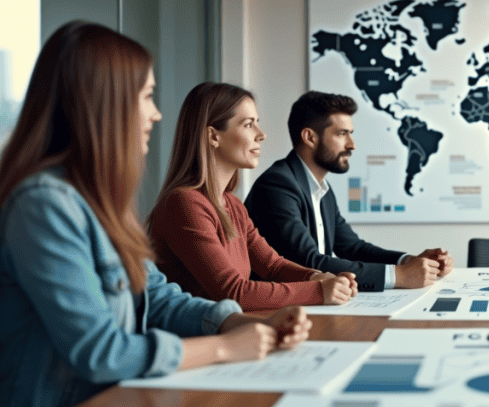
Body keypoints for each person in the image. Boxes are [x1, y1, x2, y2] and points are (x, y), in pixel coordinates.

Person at [0, 22, 312, 407]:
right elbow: (100, 351)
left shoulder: (104, 203)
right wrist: (224, 348)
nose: (156, 114)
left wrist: (239, 322)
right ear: (106, 104)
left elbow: (156, 296)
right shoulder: (43, 206)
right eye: (147, 97)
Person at [148, 83, 357, 311]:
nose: (261, 135)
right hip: (195, 341)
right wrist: (320, 291)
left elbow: (273, 266)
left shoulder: (233, 205)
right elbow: (233, 292)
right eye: (248, 124)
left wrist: (319, 277)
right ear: (213, 136)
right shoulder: (184, 203)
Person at [244, 91, 453, 292]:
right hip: (276, 314)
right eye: (342, 134)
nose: (352, 145)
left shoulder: (320, 188)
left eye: (350, 134)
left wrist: (410, 261)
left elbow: (353, 248)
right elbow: (308, 262)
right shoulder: (277, 185)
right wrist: (399, 276)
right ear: (309, 137)